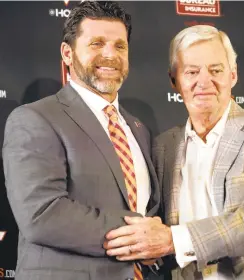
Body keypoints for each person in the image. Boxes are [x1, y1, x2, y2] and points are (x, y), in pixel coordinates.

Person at [103, 25, 244, 279]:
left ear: (233, 75)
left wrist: (174, 239)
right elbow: (155, 228)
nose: (204, 82)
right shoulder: (163, 146)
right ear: (174, 81)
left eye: (216, 70)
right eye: (191, 72)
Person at [2, 1, 160, 280]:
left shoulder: (138, 129)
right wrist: (141, 235)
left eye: (120, 46)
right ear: (67, 53)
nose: (110, 55)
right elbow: (42, 214)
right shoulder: (34, 118)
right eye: (97, 43)